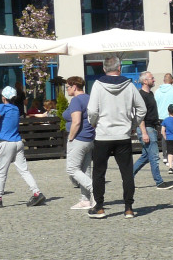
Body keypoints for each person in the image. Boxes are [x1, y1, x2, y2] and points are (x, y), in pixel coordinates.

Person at [87, 55, 146, 220]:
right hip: (123, 135)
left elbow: (91, 111)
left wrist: (94, 123)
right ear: (119, 68)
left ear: (104, 69)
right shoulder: (129, 85)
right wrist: (133, 124)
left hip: (103, 134)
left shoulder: (98, 85)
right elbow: (141, 108)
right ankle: (128, 208)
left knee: (99, 172)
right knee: (126, 172)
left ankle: (99, 207)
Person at [0, 86, 46, 208]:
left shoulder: (1, 107)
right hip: (18, 142)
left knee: (1, 172)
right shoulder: (15, 109)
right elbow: (1, 121)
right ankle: (37, 192)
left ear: (4, 97)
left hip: (6, 143)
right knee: (24, 170)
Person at [132, 72, 173, 190]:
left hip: (152, 127)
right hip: (147, 129)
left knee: (145, 156)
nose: (154, 80)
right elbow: (140, 116)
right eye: (152, 78)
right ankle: (159, 182)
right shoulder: (141, 96)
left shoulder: (150, 94)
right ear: (145, 81)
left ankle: (128, 177)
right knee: (154, 156)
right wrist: (144, 132)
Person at [63, 76, 95, 210]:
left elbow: (76, 121)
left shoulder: (76, 100)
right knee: (85, 169)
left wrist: (71, 138)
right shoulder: (89, 98)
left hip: (78, 138)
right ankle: (85, 200)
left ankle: (95, 189)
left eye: (68, 87)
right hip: (89, 138)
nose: (67, 90)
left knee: (72, 169)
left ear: (74, 87)